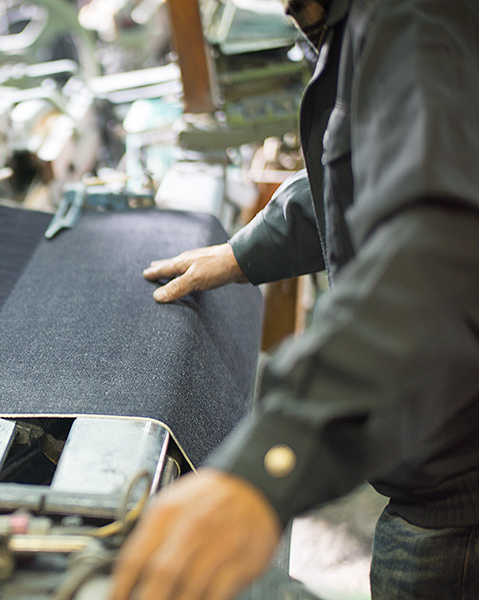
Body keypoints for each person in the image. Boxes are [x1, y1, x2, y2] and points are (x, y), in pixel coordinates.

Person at [108, 0, 479, 598]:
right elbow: (371, 171)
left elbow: (431, 258)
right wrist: (244, 253)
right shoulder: (361, 20)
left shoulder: (414, 18)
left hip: (458, 496)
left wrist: (262, 471)